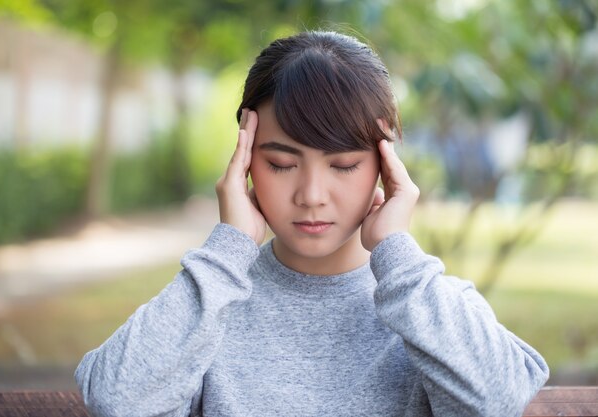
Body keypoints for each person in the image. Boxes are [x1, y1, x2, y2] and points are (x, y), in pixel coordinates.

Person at [75, 31, 549, 417]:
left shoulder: (428, 305)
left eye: (343, 165)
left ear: (385, 166)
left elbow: (499, 399)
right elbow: (117, 399)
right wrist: (228, 250)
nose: (311, 195)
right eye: (281, 163)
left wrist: (398, 254)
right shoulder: (207, 303)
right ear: (244, 161)